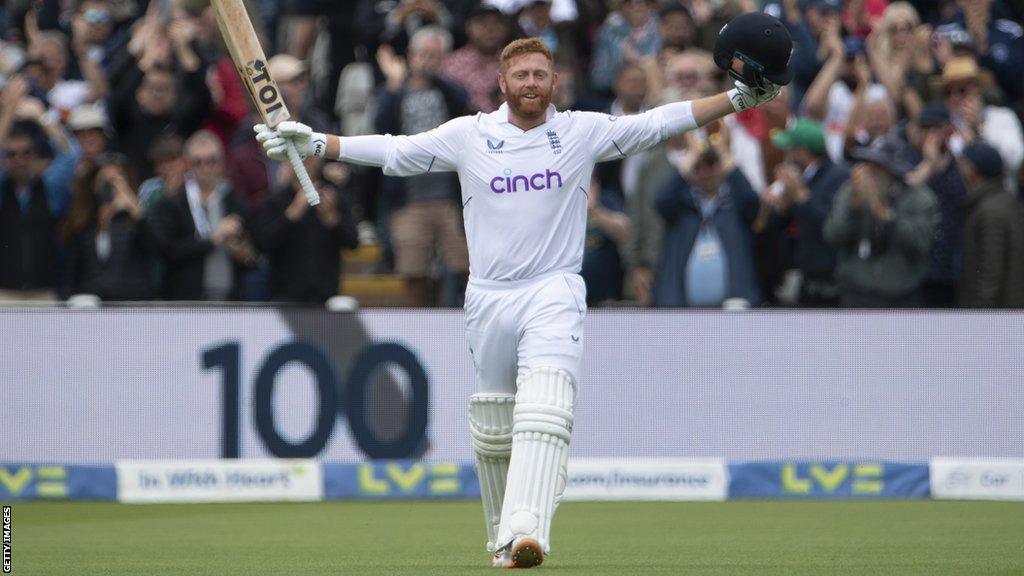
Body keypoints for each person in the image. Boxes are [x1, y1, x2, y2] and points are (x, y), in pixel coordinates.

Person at [255, 24, 785, 567]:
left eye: (539, 74)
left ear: (555, 80)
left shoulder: (582, 131)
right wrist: (319, 142)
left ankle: (528, 529)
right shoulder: (470, 134)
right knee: (493, 429)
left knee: (546, 407)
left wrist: (736, 99)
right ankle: (502, 540)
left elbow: (656, 123)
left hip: (553, 289)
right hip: (487, 297)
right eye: (520, 74)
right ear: (501, 81)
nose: (530, 82)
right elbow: (398, 152)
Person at [375, 26, 470, 306]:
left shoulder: (450, 91)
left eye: (435, 55)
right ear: (411, 55)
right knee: (413, 272)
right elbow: (380, 126)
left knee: (465, 268)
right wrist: (396, 83)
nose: (428, 60)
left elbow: (461, 101)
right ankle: (419, 329)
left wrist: (435, 76)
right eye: (423, 54)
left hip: (452, 200)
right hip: (409, 200)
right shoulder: (394, 91)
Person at [823, 134, 939, 307]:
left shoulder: (919, 198)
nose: (869, 171)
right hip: (855, 293)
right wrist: (854, 207)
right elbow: (832, 235)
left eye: (878, 166)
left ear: (894, 170)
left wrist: (886, 216)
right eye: (868, 163)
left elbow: (921, 244)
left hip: (900, 297)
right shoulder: (850, 192)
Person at [652, 134, 762, 308]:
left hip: (733, 311)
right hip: (680, 311)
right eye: (698, 167)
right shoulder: (680, 206)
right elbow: (661, 201)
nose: (705, 172)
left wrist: (722, 154)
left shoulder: (736, 205)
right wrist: (691, 157)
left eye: (711, 164)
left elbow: (752, 203)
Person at [149, 131, 255, 301]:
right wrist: (213, 239)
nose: (206, 168)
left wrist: (244, 254)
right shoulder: (173, 203)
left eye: (212, 161)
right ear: (187, 164)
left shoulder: (235, 199)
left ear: (222, 162)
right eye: (198, 162)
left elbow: (254, 254)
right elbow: (168, 251)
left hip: (231, 301)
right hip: (186, 302)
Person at [0, 79, 81, 302]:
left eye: (26, 153)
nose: (19, 160)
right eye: (12, 155)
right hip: (3, 293)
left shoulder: (49, 189)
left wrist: (41, 116)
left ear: (36, 155)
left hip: (45, 292)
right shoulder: (2, 190)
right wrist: (8, 113)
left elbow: (70, 155)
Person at [251, 159, 359, 304]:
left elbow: (353, 243)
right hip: (285, 295)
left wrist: (332, 220)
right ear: (288, 162)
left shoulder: (334, 198)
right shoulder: (273, 201)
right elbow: (262, 244)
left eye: (310, 157)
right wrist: (291, 214)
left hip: (326, 294)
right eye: (299, 158)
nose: (305, 163)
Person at [768, 118, 849, 306]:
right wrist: (781, 203)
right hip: (806, 278)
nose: (786, 154)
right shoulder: (803, 177)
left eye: (790, 149)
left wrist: (801, 196)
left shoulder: (839, 176)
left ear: (802, 152)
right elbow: (777, 225)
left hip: (833, 285)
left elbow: (832, 227)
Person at [60, 153, 155, 301]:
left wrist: (133, 207)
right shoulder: (83, 221)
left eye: (115, 181)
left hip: (132, 304)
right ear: (94, 183)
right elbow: (70, 270)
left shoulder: (136, 219)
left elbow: (157, 245)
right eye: (105, 180)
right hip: (92, 305)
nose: (109, 186)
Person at [956, 142, 1024, 308]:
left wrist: (980, 315)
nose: (958, 169)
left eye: (963, 164)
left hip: (996, 316)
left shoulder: (990, 211)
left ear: (972, 169)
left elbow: (991, 271)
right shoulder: (1004, 201)